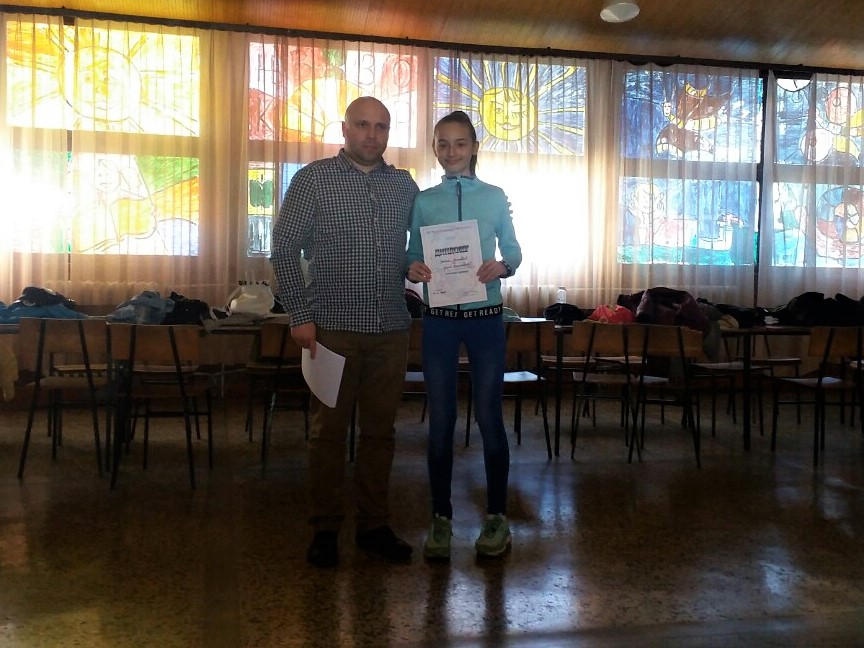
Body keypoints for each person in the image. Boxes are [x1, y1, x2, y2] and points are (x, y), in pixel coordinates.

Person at [271, 96, 419, 567]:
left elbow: (417, 247)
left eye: (381, 126)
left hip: (390, 329)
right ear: (345, 128)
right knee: (328, 434)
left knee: (380, 434)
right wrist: (299, 314)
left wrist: (416, 264)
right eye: (363, 124)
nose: (372, 135)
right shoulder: (312, 179)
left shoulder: (404, 186)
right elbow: (284, 249)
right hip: (331, 331)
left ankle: (374, 525)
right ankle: (325, 529)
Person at [406, 110, 522, 559]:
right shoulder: (424, 201)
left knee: (489, 418)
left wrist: (502, 266)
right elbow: (412, 254)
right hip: (438, 320)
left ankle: (497, 517)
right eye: (443, 143)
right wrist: (412, 268)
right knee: (441, 422)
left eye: (459, 143)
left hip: (485, 318)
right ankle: (441, 518)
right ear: (435, 149)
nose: (451, 151)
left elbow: (513, 250)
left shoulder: (494, 197)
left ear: (474, 147)